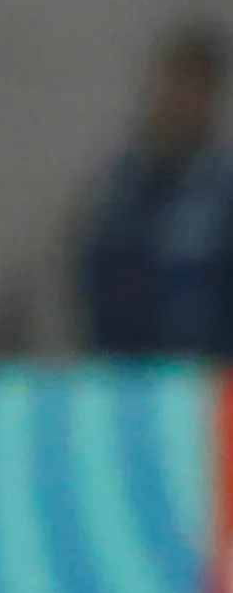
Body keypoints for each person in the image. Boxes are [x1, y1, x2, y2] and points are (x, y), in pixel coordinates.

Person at [76, 25, 233, 356]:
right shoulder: (122, 188)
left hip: (206, 370)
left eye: (191, 91)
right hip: (129, 368)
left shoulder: (221, 194)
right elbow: (94, 275)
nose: (177, 103)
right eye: (171, 87)